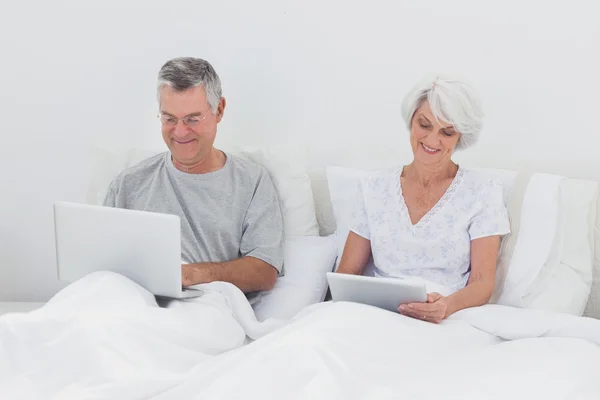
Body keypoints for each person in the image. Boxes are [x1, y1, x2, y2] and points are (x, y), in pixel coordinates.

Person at [103, 57, 284, 296]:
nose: (180, 132)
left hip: (203, 304)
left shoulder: (252, 182)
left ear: (218, 110)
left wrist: (189, 274)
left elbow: (264, 270)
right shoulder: (128, 183)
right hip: (128, 301)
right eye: (169, 119)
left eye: (192, 119)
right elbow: (101, 264)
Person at [336, 75, 510, 323]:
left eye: (447, 132)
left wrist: (446, 307)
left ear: (461, 136)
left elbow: (482, 283)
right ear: (411, 121)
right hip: (375, 314)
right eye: (424, 125)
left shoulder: (482, 191)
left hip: (442, 318)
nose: (431, 140)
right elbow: (348, 272)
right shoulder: (373, 187)